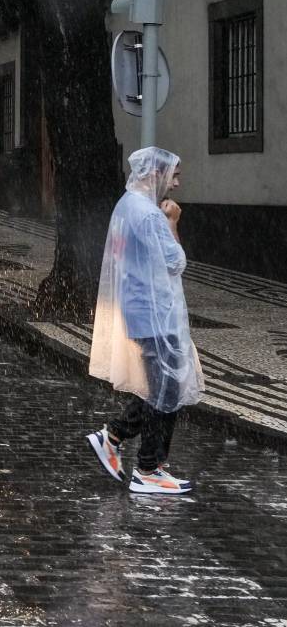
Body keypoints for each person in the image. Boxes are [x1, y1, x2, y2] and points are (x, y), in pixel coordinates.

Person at [85, 147, 203, 494]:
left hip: (140, 309)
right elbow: (176, 263)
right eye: (174, 175)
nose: (177, 184)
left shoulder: (126, 204)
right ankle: (148, 468)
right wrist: (172, 223)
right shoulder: (151, 216)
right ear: (156, 173)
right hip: (155, 314)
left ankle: (115, 436)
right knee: (167, 390)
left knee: (161, 387)